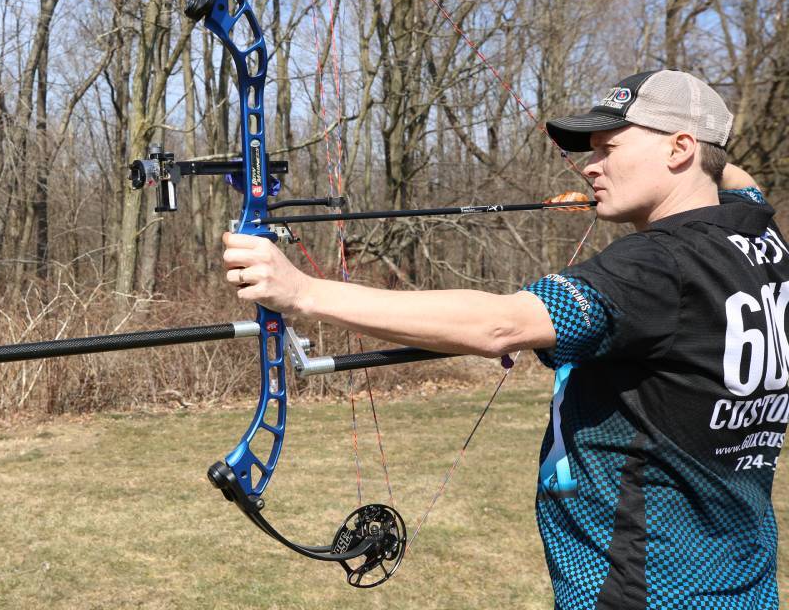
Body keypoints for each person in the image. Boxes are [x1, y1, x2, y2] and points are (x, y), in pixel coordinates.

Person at [221, 69, 788, 608]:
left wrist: (299, 292)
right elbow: (735, 182)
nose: (590, 166)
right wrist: (697, 161)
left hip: (645, 588)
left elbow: (500, 325)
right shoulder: (757, 233)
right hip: (742, 579)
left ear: (679, 149)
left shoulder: (658, 265)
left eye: (608, 149)